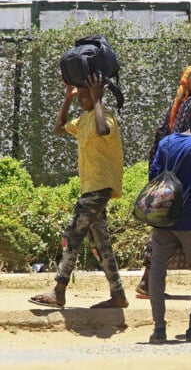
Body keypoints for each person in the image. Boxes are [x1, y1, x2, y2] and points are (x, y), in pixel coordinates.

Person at [29, 72, 128, 309]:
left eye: (86, 95)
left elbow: (103, 129)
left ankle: (59, 290)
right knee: (100, 243)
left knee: (72, 235)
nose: (82, 98)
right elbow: (58, 128)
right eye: (80, 95)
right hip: (90, 188)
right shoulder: (82, 120)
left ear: (97, 94)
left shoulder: (106, 116)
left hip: (100, 187)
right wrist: (67, 99)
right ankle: (118, 295)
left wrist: (97, 100)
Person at [147, 100, 191, 344]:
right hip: (190, 221)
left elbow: (153, 175)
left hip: (163, 219)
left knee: (157, 270)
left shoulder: (167, 142)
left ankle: (159, 329)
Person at [136, 66, 191, 298]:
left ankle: (149, 282)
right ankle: (148, 283)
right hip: (181, 176)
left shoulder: (177, 104)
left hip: (165, 173)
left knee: (165, 227)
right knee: (176, 227)